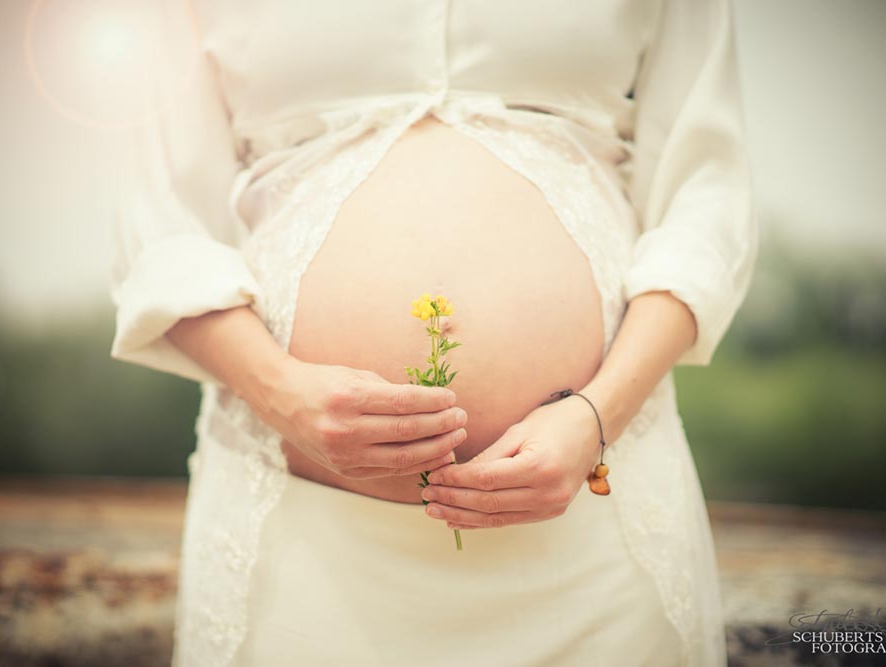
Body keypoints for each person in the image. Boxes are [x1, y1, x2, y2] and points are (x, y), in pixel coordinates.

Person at [108, 1, 757, 665]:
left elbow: (702, 195)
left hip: (591, 532)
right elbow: (162, 220)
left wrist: (596, 416)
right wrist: (282, 392)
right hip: (303, 541)